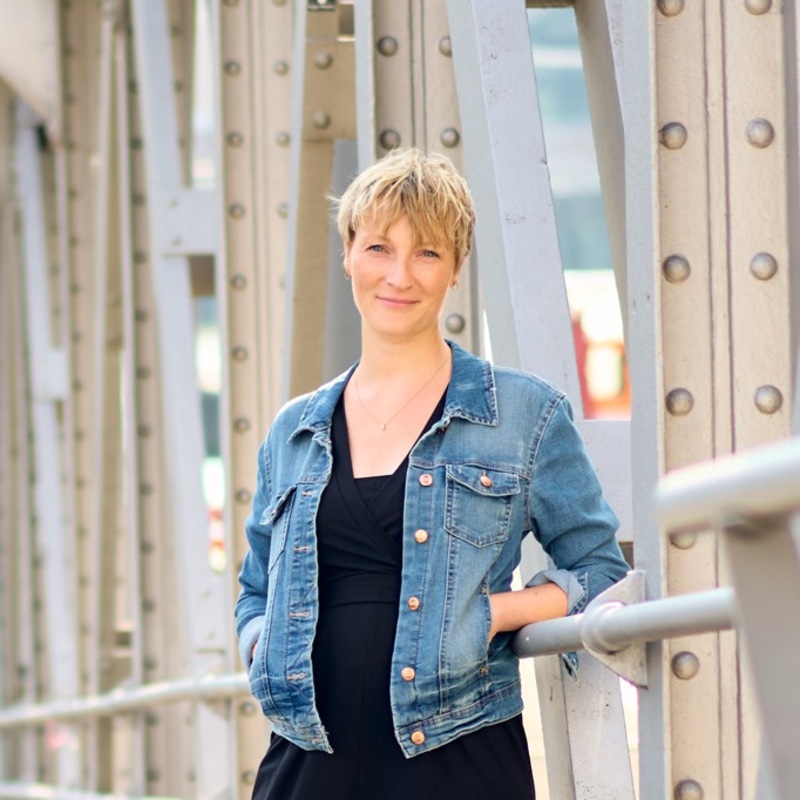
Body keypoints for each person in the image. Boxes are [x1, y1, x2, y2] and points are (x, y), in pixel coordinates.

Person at [235, 148, 629, 800]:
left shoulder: (523, 415)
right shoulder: (293, 433)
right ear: (348, 255)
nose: (399, 275)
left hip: (457, 755)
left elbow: (599, 569)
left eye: (427, 253)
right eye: (379, 248)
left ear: (454, 270)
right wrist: (263, 648)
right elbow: (254, 590)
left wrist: (491, 613)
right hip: (308, 760)